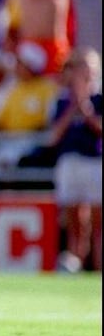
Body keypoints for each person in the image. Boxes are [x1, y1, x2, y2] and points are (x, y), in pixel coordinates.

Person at [49, 47, 102, 272]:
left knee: (98, 224)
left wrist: (86, 110)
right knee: (74, 222)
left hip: (95, 162)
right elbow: (53, 136)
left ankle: (98, 266)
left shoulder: (99, 99)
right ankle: (75, 264)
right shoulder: (63, 101)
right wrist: (74, 107)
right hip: (70, 161)